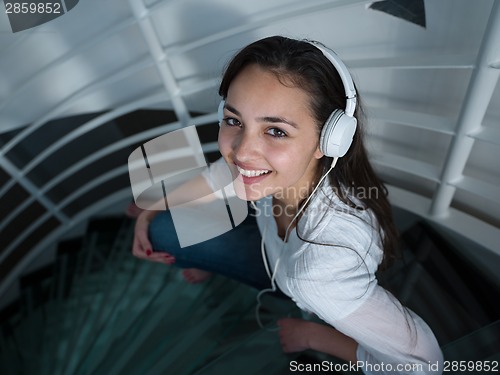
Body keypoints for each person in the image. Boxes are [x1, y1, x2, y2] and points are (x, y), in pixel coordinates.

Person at [132, 35, 443, 374]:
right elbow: (218, 178)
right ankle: (212, 260)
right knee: (162, 224)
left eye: (276, 131)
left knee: (168, 230)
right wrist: (149, 209)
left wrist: (315, 336)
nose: (241, 152)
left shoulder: (318, 277)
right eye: (234, 120)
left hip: (291, 279)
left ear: (329, 141)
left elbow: (423, 365)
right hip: (275, 250)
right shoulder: (283, 175)